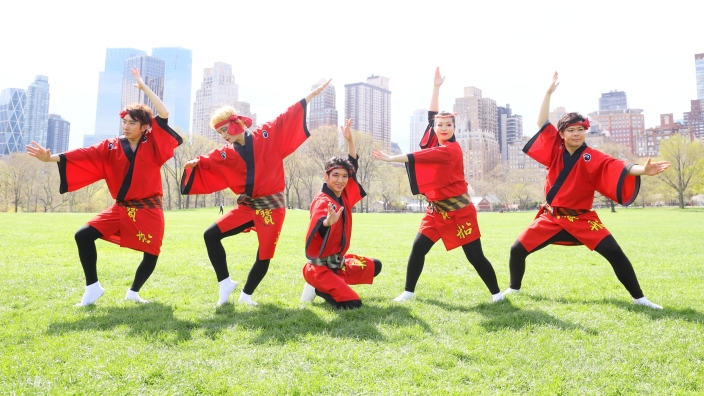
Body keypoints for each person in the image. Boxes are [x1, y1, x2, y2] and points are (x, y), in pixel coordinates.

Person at [502, 72, 671, 309]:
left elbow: (617, 167)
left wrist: (643, 169)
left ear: (585, 132)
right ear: (562, 134)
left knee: (615, 254)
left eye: (580, 129)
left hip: (582, 219)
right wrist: (547, 93)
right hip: (552, 217)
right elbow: (542, 123)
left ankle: (640, 298)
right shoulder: (555, 150)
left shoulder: (593, 156)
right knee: (517, 249)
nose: (576, 134)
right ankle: (514, 289)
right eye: (571, 130)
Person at [26, 67, 183, 306]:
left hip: (149, 209)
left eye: (132, 123)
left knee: (151, 252)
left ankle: (133, 292)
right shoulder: (111, 146)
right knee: (83, 236)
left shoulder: (154, 143)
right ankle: (93, 287)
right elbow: (83, 154)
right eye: (124, 122)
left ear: (144, 127)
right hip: (120, 209)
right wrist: (51, 158)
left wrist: (143, 86)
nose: (126, 126)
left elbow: (163, 113)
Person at [181, 80, 330, 306]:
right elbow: (211, 159)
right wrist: (196, 163)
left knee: (264, 254)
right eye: (219, 132)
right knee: (210, 235)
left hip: (273, 207)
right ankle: (225, 282)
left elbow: (286, 117)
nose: (223, 135)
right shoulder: (228, 154)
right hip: (249, 207)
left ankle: (246, 296)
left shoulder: (267, 135)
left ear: (238, 122)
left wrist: (310, 96)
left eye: (224, 129)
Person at [372, 68, 503, 303]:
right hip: (436, 212)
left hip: (460, 212)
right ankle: (408, 293)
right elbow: (432, 114)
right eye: (440, 125)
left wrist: (391, 158)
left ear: (454, 128)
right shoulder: (436, 138)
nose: (443, 128)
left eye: (448, 125)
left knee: (475, 256)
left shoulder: (450, 149)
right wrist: (436, 88)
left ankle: (497, 295)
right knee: (418, 249)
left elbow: (418, 158)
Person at [300, 119, 382, 309]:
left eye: (344, 176)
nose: (341, 180)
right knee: (354, 304)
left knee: (373, 266)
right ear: (325, 176)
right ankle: (321, 287)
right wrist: (328, 222)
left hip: (338, 263)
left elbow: (353, 166)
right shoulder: (323, 201)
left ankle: (332, 283)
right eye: (335, 175)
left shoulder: (343, 194)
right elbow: (319, 223)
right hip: (319, 268)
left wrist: (350, 141)